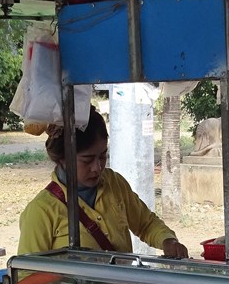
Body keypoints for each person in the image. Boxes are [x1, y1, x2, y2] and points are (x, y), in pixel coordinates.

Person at [18, 105, 189, 257]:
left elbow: (145, 223)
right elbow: (27, 278)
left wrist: (168, 241)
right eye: (87, 160)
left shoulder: (114, 183)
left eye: (102, 156)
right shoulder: (41, 211)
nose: (97, 167)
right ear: (63, 158)